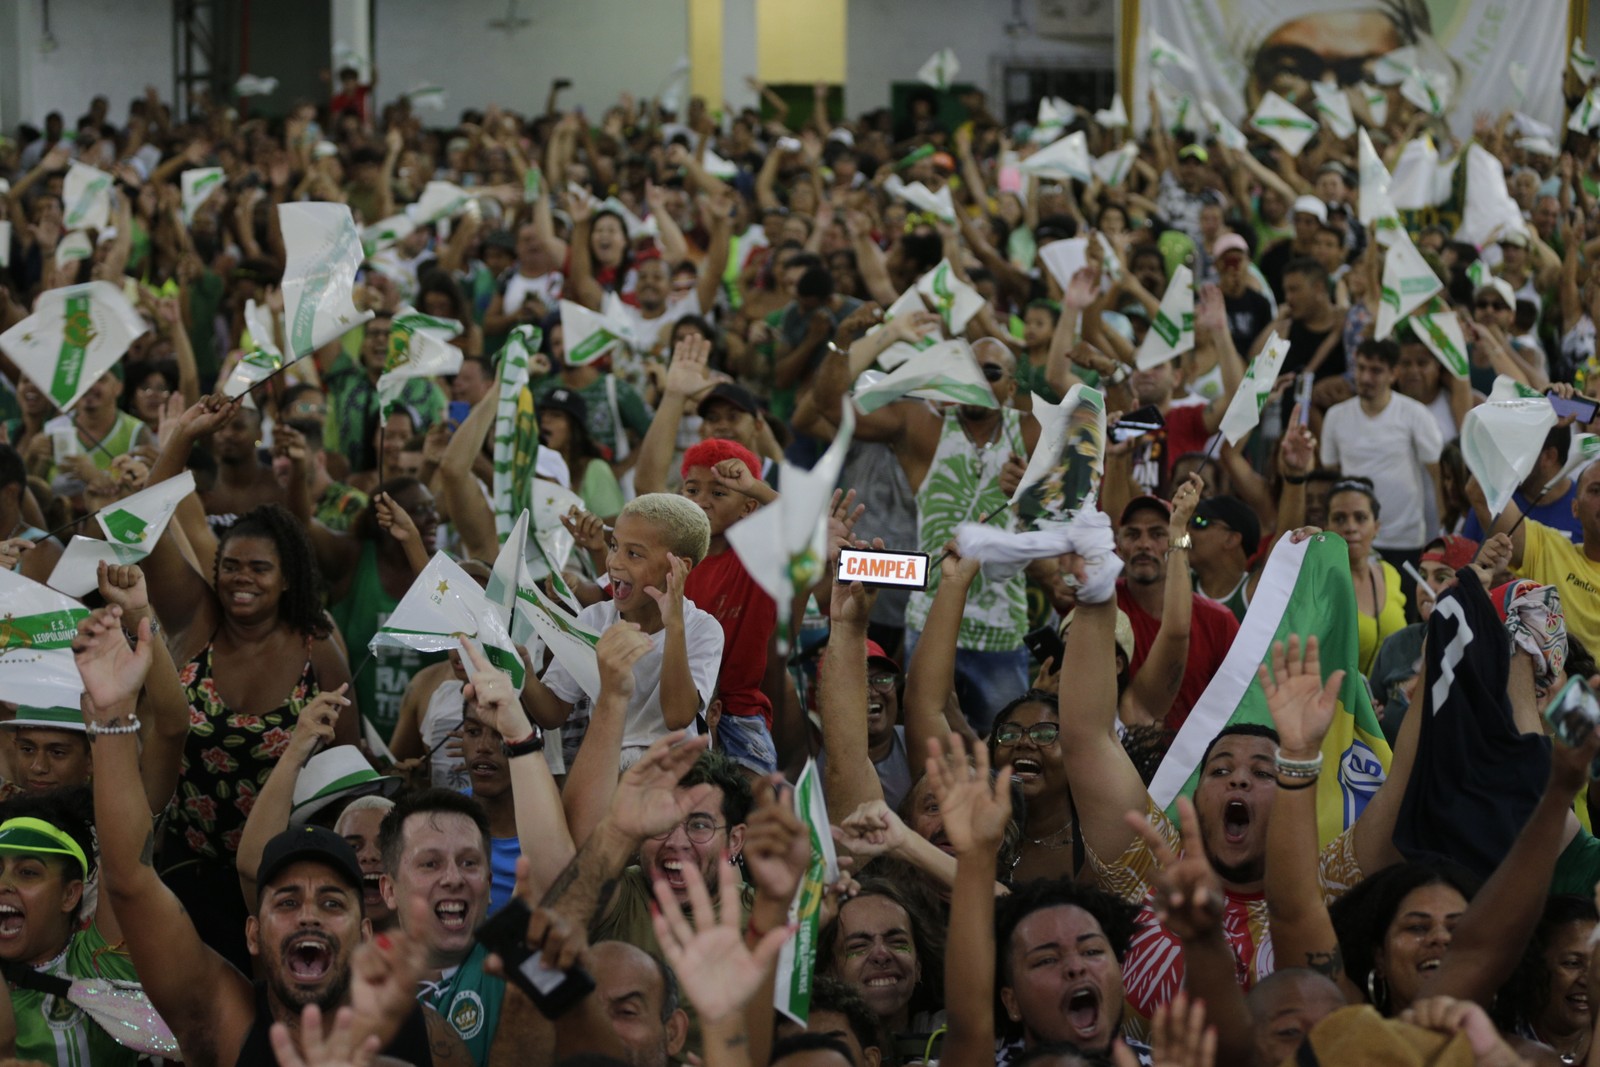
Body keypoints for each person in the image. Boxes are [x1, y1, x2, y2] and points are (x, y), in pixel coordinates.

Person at [72, 602, 470, 1067]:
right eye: (285, 901)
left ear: (364, 932)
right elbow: (131, 882)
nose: (308, 916)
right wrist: (113, 715)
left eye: (331, 902)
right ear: (253, 934)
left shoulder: (431, 1043)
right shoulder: (226, 1019)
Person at [523, 493, 724, 767]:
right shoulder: (594, 619)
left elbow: (677, 716)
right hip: (608, 772)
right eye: (614, 546)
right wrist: (521, 672)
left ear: (678, 567)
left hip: (675, 774)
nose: (614, 562)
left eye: (633, 554)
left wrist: (674, 625)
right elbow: (553, 712)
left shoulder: (702, 629)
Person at [1319, 339, 1445, 565]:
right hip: (1352, 538)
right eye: (1361, 368)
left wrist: (1444, 527)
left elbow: (1437, 474)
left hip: (1404, 539)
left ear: (1393, 373)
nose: (1366, 378)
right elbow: (1330, 479)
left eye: (1376, 371)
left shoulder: (1415, 414)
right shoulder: (1335, 416)